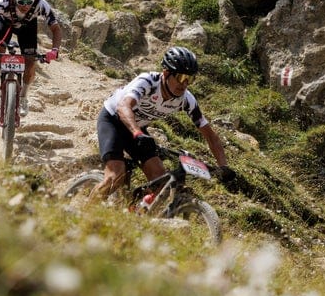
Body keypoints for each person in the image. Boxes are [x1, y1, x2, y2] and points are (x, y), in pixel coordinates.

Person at [94, 46, 233, 197]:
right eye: (181, 77)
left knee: (161, 181)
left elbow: (211, 136)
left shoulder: (186, 100)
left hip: (137, 129)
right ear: (166, 73)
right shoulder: (148, 81)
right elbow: (123, 106)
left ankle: (136, 210)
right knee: (115, 177)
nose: (184, 83)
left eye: (190, 79)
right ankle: (83, 212)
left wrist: (223, 167)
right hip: (113, 120)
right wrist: (137, 133)